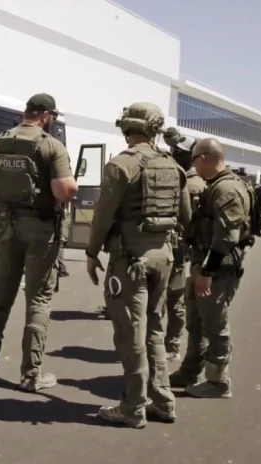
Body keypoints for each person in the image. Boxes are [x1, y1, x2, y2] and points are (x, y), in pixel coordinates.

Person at [85, 103, 191, 428]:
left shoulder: (120, 165)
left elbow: (103, 216)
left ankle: (133, 407)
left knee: (130, 332)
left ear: (126, 128)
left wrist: (91, 253)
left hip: (130, 260)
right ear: (155, 129)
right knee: (154, 330)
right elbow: (186, 217)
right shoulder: (174, 167)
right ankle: (163, 401)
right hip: (164, 257)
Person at [0, 93, 78, 392]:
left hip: (5, 226)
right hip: (41, 229)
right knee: (38, 299)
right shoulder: (51, 145)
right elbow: (64, 191)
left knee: (1, 294)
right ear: (45, 115)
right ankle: (31, 374)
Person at [169, 138, 253, 399]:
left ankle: (218, 382)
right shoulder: (215, 185)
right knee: (196, 323)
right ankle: (190, 371)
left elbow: (226, 237)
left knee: (216, 326)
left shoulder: (227, 189)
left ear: (204, 158)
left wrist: (207, 273)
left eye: (194, 160)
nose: (193, 166)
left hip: (217, 271)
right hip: (203, 265)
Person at [162, 131, 206, 361]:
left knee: (174, 299)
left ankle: (172, 345)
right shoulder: (178, 178)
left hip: (179, 248)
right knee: (165, 298)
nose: (173, 155)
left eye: (178, 153)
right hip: (168, 246)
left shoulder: (193, 184)